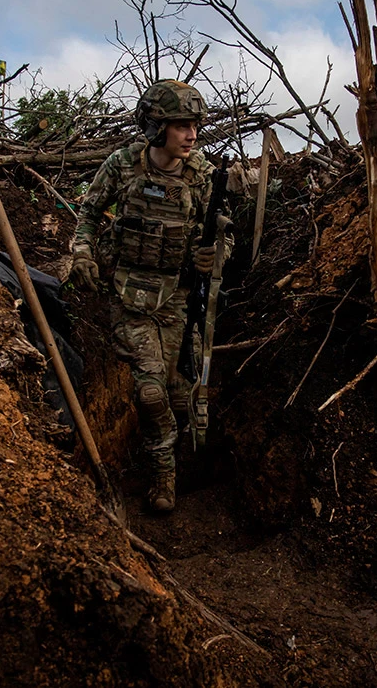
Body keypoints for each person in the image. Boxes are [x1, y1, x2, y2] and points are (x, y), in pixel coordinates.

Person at [69, 80, 218, 512]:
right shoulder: (122, 166)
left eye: (194, 126)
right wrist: (81, 253)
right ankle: (163, 478)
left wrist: (211, 256)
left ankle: (187, 465)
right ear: (156, 127)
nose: (191, 135)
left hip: (177, 299)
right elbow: (89, 213)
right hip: (129, 295)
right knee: (150, 393)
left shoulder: (204, 175)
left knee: (176, 393)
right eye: (181, 126)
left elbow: (220, 234)